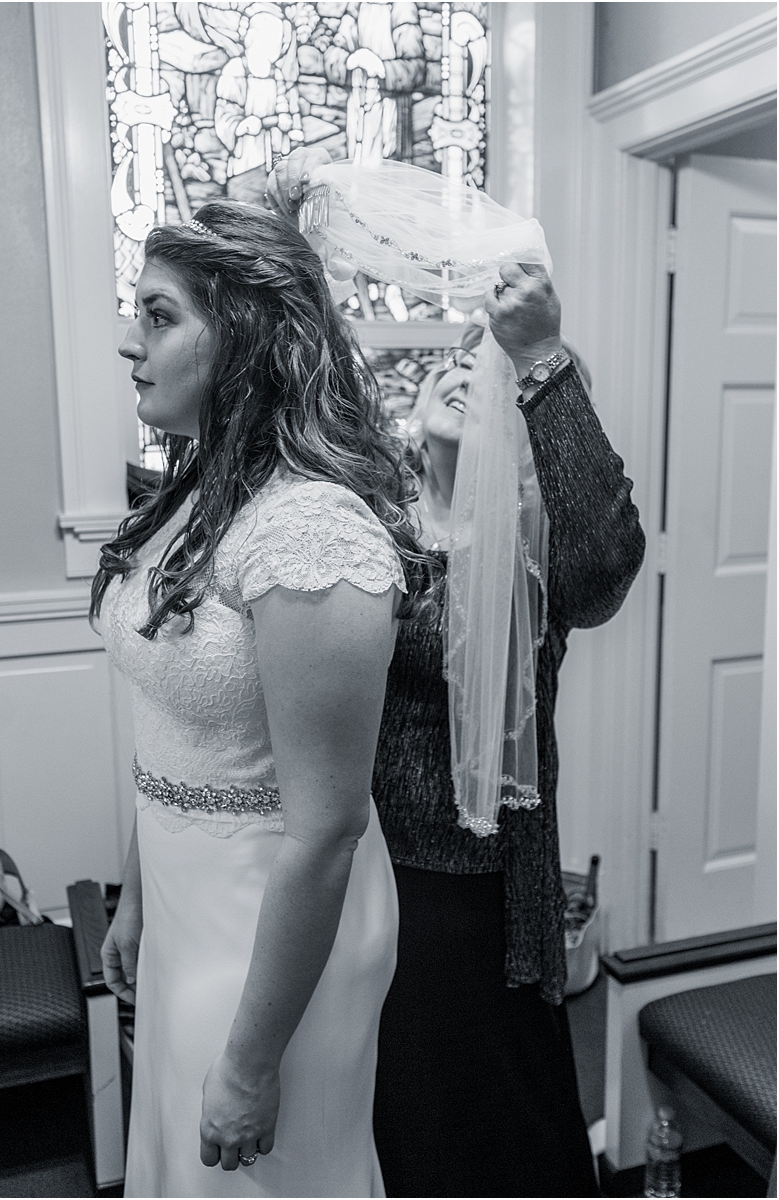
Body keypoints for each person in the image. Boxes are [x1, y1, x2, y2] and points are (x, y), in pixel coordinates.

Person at [269, 150, 646, 1198]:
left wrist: (542, 358)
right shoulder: (368, 525)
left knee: (499, 1127)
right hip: (370, 875)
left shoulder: (531, 555)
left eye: (482, 366)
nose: (457, 368)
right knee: (392, 1120)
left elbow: (609, 563)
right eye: (452, 358)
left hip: (485, 897)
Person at [91, 200, 428, 1198]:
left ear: (240, 334)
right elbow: (179, 723)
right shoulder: (193, 493)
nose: (128, 342)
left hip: (275, 929)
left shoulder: (312, 536)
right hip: (188, 900)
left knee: (256, 1177)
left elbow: (324, 830)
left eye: (159, 316)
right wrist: (139, 891)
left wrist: (250, 1060)